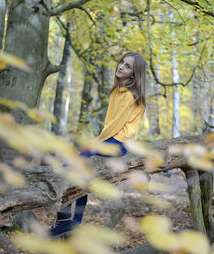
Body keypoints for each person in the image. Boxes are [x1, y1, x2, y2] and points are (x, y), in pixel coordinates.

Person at [50, 52, 147, 238]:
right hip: (111, 139)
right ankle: (74, 224)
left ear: (134, 74)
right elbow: (109, 124)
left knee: (67, 167)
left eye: (128, 67)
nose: (121, 67)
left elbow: (115, 127)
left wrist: (96, 144)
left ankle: (64, 220)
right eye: (122, 62)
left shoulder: (128, 96)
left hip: (118, 143)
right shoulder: (116, 91)